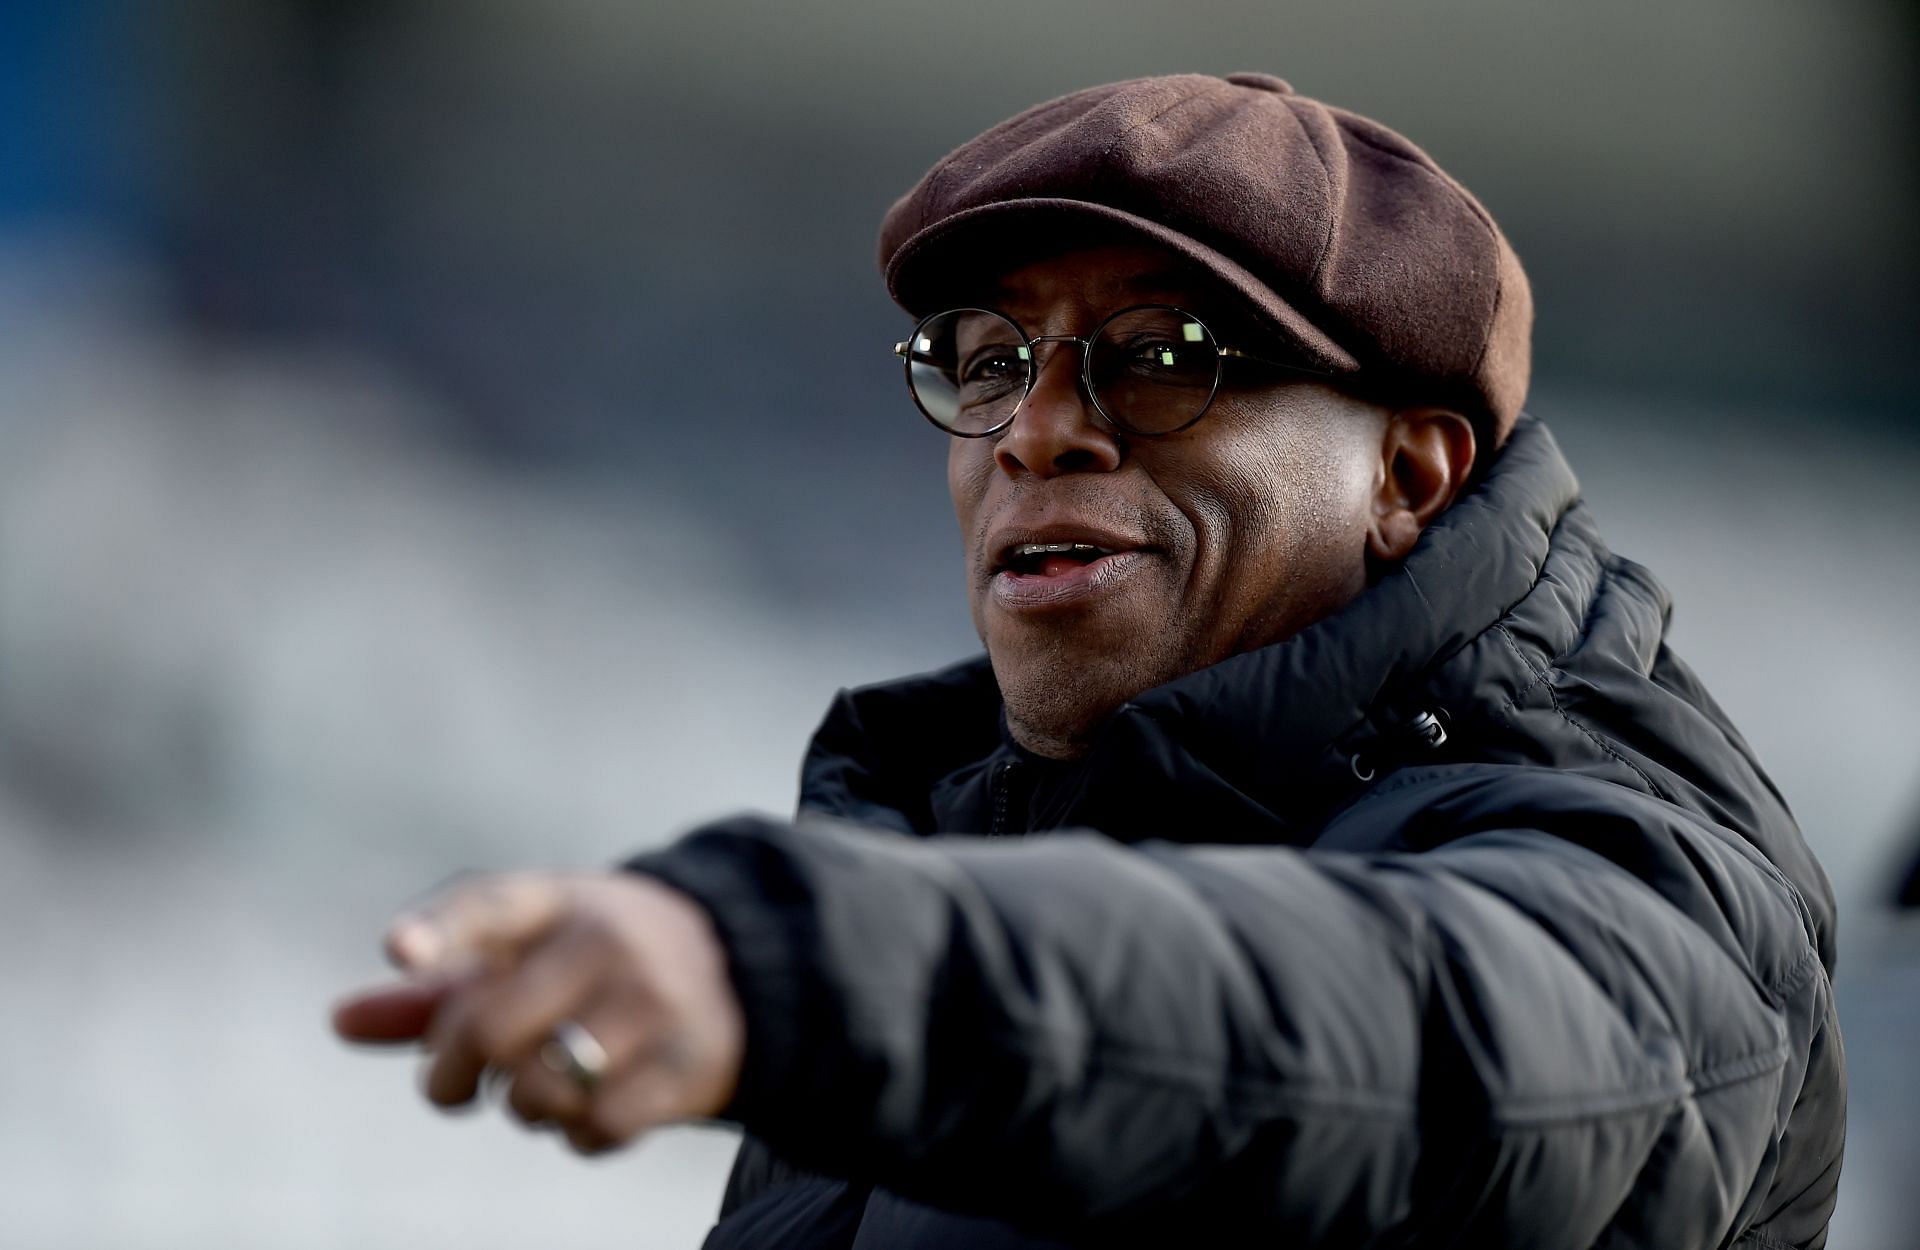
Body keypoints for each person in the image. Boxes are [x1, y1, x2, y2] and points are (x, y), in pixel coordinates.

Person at [333, 73, 1845, 1248]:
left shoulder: (1644, 870)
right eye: (986, 360)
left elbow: (1400, 1035)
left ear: (1414, 477)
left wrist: (804, 966)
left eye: (1167, 353)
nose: (1039, 428)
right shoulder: (952, 840)